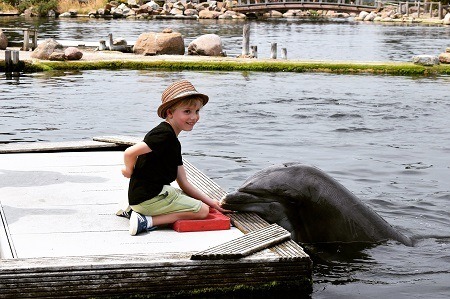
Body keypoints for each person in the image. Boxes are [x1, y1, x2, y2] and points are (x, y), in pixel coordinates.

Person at [120, 80, 230, 236]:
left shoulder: (172, 139)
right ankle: (146, 220)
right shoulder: (164, 136)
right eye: (187, 111)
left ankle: (135, 211)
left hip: (145, 195)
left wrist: (213, 202)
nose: (194, 117)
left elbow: (183, 182)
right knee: (202, 211)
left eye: (197, 111)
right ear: (170, 113)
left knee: (198, 202)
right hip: (147, 198)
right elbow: (130, 152)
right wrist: (128, 170)